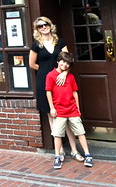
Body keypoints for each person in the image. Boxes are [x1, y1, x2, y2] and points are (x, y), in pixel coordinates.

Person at [29, 16, 82, 162]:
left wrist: (63, 73)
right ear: (37, 29)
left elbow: (68, 60)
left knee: (67, 117)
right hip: (45, 82)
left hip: (62, 82)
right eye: (40, 26)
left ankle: (74, 150)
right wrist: (48, 72)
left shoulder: (60, 42)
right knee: (53, 117)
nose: (43, 27)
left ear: (50, 25)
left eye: (45, 24)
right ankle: (58, 152)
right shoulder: (36, 45)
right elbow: (32, 64)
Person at [46, 51, 93, 169]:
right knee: (57, 134)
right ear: (58, 61)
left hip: (72, 109)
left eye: (67, 63)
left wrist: (77, 107)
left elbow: (74, 92)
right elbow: (49, 92)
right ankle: (57, 155)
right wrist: (52, 107)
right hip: (59, 110)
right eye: (63, 61)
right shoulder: (51, 76)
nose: (65, 65)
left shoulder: (70, 77)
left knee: (80, 132)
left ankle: (87, 154)